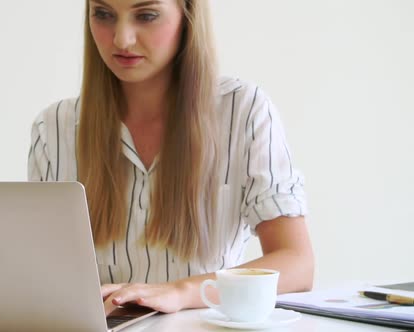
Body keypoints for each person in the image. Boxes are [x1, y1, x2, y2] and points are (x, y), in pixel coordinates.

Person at [27, 0, 314, 316]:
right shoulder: (54, 128)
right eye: (104, 14)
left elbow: (297, 264)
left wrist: (181, 291)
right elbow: (45, 278)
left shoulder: (243, 112)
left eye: (146, 15)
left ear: (188, 18)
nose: (121, 39)